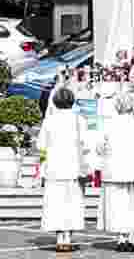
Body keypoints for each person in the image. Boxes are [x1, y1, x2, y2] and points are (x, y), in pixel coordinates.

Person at [96, 93, 134, 252]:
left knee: (117, 206)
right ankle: (132, 238)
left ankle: (121, 238)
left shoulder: (109, 123)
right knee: (133, 205)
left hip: (114, 171)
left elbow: (99, 147)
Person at [37, 86, 88, 253]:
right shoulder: (79, 119)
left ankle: (60, 238)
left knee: (56, 204)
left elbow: (41, 145)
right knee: (72, 203)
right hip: (73, 168)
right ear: (72, 102)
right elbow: (85, 145)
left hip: (54, 169)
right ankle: (68, 236)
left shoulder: (49, 120)